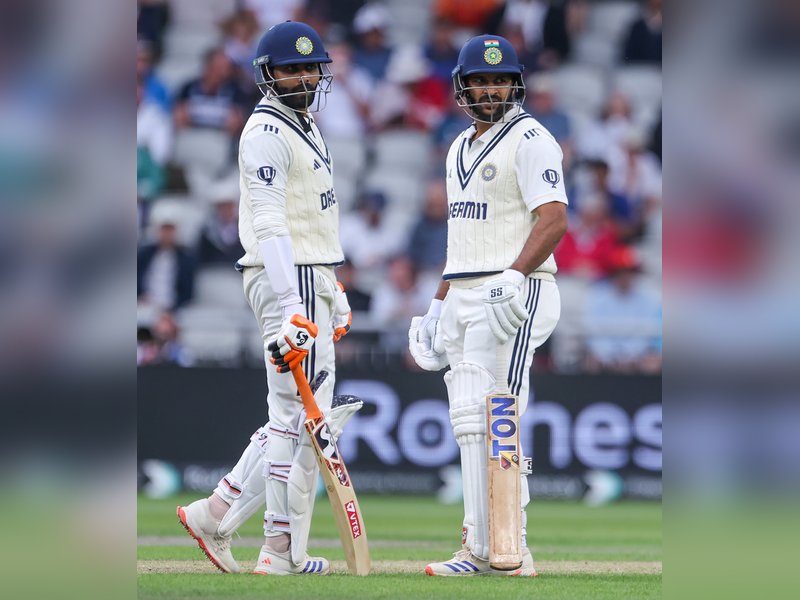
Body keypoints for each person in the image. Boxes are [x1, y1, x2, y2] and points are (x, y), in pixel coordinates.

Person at [176, 21, 361, 576]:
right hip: (289, 278)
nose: (304, 76)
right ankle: (278, 550)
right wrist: (293, 304)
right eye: (292, 68)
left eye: (311, 67)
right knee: (296, 418)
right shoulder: (265, 132)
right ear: (267, 75)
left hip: (311, 274)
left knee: (297, 415)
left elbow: (313, 217)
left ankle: (216, 511)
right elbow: (270, 221)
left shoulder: (305, 124)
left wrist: (333, 286)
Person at [408, 34, 568, 576]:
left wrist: (514, 275)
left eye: (500, 80)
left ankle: (508, 549)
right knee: (470, 419)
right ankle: (480, 546)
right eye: (479, 80)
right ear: (461, 87)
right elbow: (462, 240)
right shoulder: (457, 149)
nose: (490, 89)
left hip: (520, 294)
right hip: (466, 292)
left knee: (502, 414)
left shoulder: (532, 139)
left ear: (515, 83)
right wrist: (436, 305)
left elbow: (553, 219)